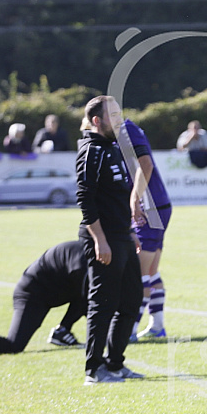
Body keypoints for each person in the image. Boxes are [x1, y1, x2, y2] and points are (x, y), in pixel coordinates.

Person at [76, 95, 143, 385]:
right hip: (103, 239)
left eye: (120, 114)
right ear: (96, 120)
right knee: (102, 304)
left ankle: (115, 364)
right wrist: (100, 240)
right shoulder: (92, 151)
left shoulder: (111, 148)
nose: (119, 120)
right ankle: (94, 370)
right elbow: (85, 199)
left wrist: (129, 232)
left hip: (122, 236)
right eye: (113, 115)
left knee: (131, 301)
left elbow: (115, 199)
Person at [0, 241, 87, 354]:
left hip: (56, 292)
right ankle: (63, 330)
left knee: (87, 294)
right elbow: (93, 305)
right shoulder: (81, 258)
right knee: (13, 346)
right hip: (32, 295)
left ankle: (62, 331)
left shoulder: (93, 255)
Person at [123, 119, 172, 342]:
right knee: (150, 270)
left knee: (138, 272)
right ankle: (157, 326)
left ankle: (129, 329)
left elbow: (146, 165)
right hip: (155, 205)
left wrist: (135, 198)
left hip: (150, 207)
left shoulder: (125, 129)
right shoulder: (125, 128)